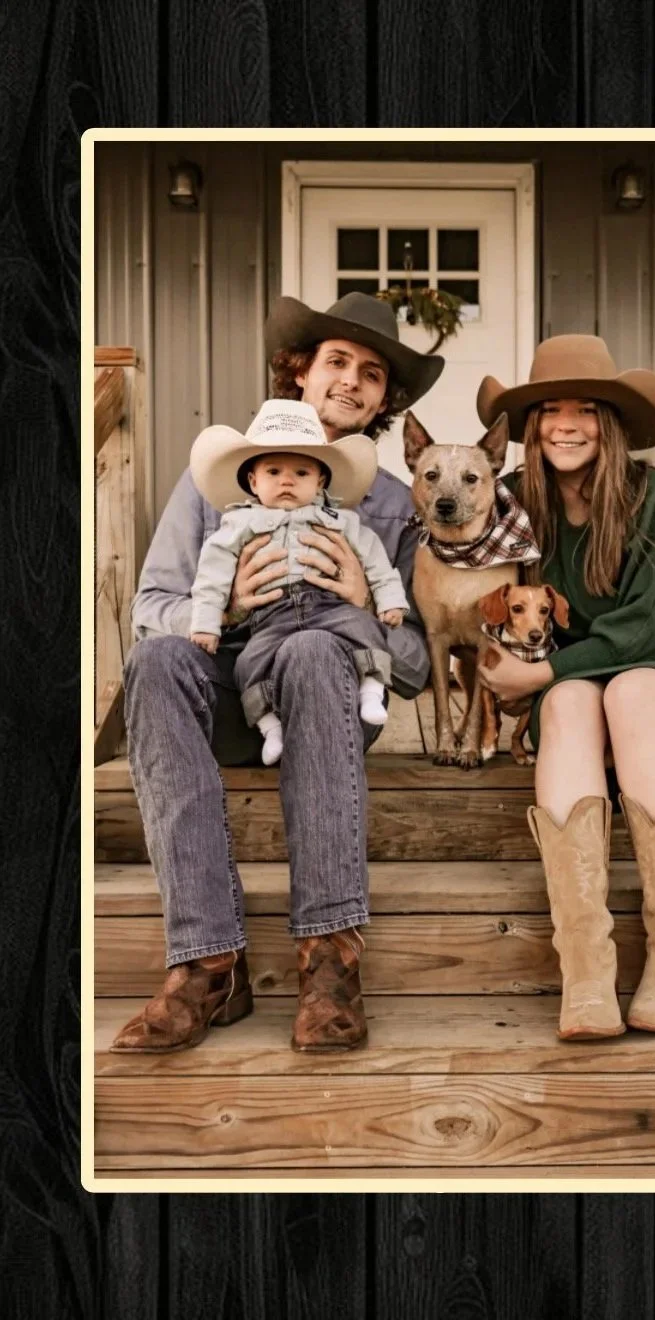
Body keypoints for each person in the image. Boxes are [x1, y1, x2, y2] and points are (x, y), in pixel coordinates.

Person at [110, 292, 443, 1054]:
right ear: (300, 372)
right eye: (336, 361)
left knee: (313, 649)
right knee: (156, 659)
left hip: (327, 699)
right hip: (230, 698)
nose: (351, 382)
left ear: (386, 399)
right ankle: (207, 961)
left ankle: (329, 961)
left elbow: (419, 666)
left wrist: (363, 601)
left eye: (372, 373)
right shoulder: (216, 477)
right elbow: (152, 604)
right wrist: (221, 610)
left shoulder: (393, 507)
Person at [475, 335, 655, 1040]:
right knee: (569, 701)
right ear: (531, 426)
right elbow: (460, 578)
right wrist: (497, 665)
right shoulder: (510, 503)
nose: (567, 424)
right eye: (549, 410)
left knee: (626, 691)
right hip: (579, 687)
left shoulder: (650, 497)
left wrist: (536, 670)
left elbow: (651, 630)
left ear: (612, 423)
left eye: (586, 409)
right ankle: (587, 968)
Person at [188, 399, 409, 758]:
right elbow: (211, 575)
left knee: (363, 627)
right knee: (248, 662)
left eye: (302, 473)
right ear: (252, 480)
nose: (287, 480)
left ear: (320, 480)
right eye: (273, 471)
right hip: (269, 617)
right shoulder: (237, 525)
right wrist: (208, 623)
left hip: (328, 608)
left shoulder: (341, 521)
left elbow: (376, 562)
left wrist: (388, 600)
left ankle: (370, 689)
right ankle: (270, 728)